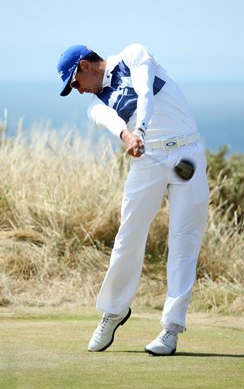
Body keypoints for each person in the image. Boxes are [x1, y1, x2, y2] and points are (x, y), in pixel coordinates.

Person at [57, 43, 209, 356]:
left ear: (85, 65)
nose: (78, 90)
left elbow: (144, 92)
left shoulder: (133, 54)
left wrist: (139, 127)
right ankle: (114, 311)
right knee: (129, 236)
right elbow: (111, 121)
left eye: (75, 83)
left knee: (183, 241)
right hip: (148, 161)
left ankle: (170, 330)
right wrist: (128, 136)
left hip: (187, 154)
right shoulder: (95, 105)